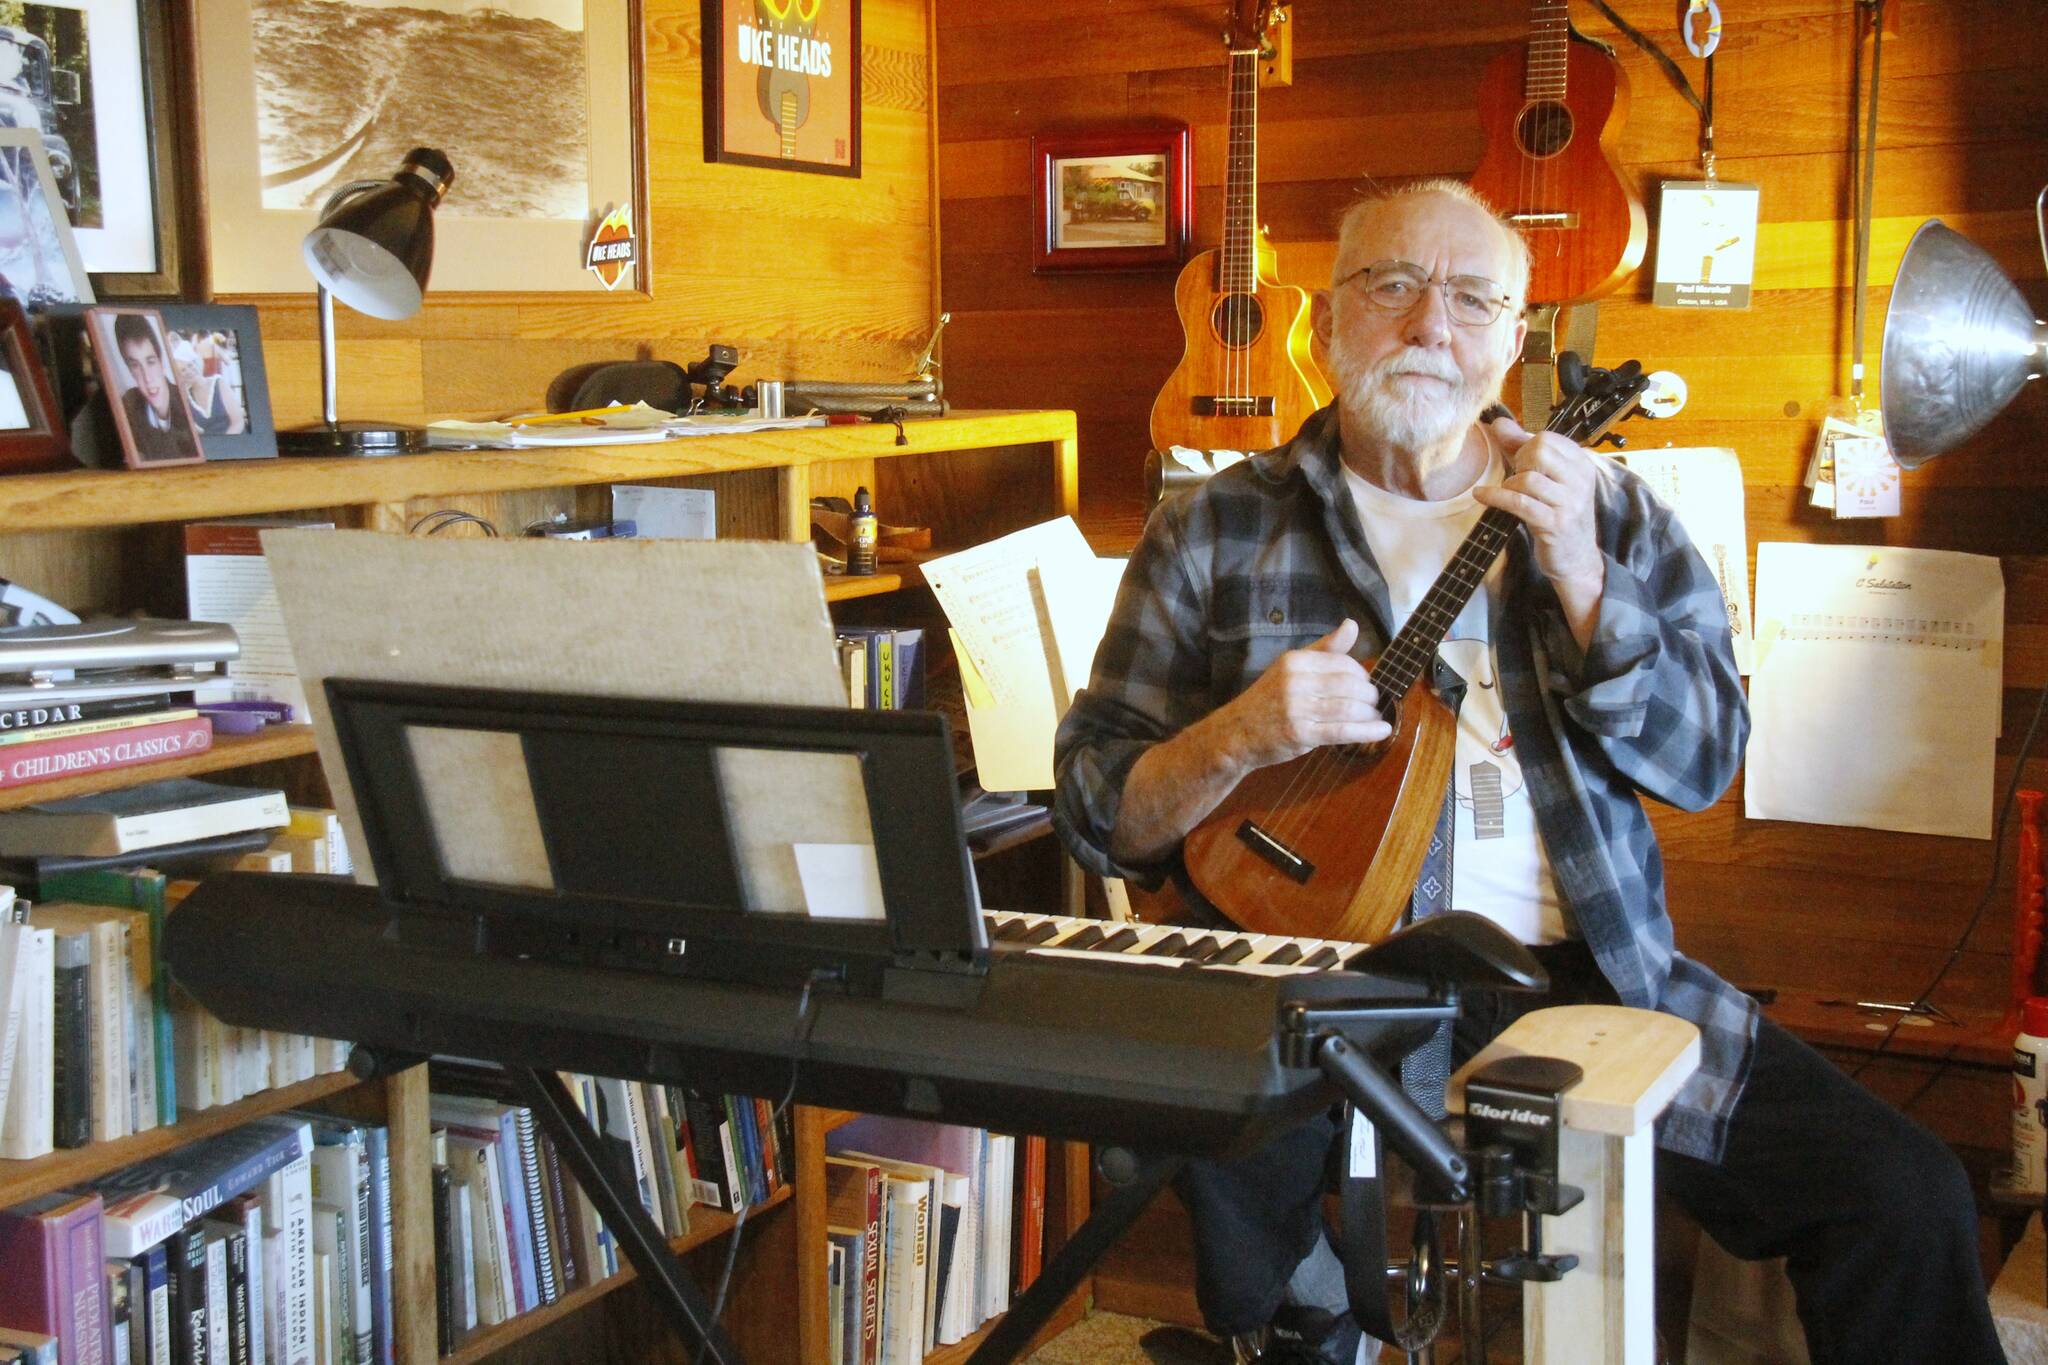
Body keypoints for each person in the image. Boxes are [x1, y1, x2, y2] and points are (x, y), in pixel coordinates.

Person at [1052, 180, 2003, 1365]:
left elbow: (1703, 763)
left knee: (1901, 1195)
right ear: (1327, 320)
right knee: (1235, 1204)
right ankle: (1306, 1322)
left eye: (1468, 298)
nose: (1426, 326)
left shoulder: (1609, 515)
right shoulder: (1213, 526)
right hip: (1303, 983)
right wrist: (1234, 737)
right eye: (1389, 286)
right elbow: (1098, 812)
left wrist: (1590, 587)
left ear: (1514, 337)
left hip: (1586, 979)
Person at [112, 312, 199, 461]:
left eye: (150, 362)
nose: (147, 378)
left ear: (161, 360)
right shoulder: (127, 406)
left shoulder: (187, 399)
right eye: (135, 366)